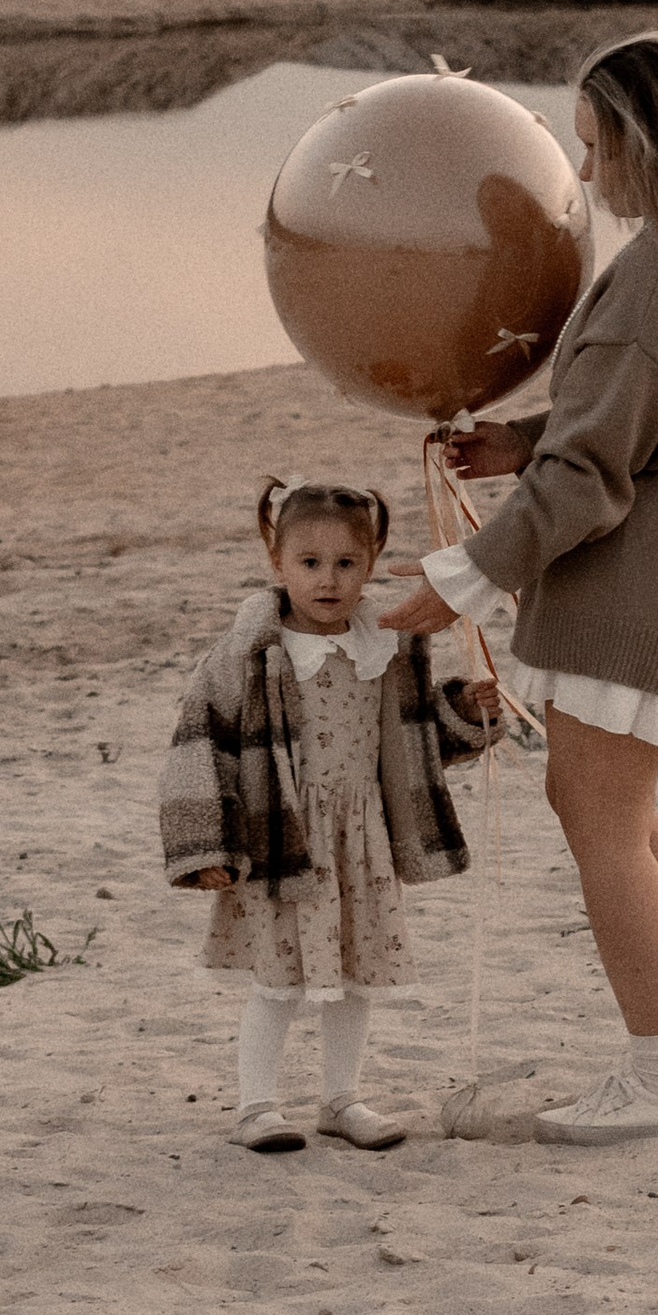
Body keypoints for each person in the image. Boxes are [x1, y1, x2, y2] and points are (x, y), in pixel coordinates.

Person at [378, 33, 658, 1147]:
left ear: (645, 146)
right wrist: (524, 439)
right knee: (626, 807)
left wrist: (463, 577)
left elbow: (594, 474)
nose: (589, 176)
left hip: (644, 578)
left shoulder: (656, 276)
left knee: (597, 817)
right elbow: (649, 418)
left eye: (596, 148)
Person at [160, 480, 501, 1153]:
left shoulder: (386, 642)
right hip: (279, 836)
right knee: (279, 980)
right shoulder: (247, 655)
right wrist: (204, 848)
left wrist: (463, 709)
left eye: (347, 563)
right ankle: (257, 1106)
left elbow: (410, 741)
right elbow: (199, 745)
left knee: (356, 972)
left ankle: (341, 1098)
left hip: (361, 841)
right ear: (276, 561)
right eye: (310, 563)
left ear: (370, 564)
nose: (329, 580)